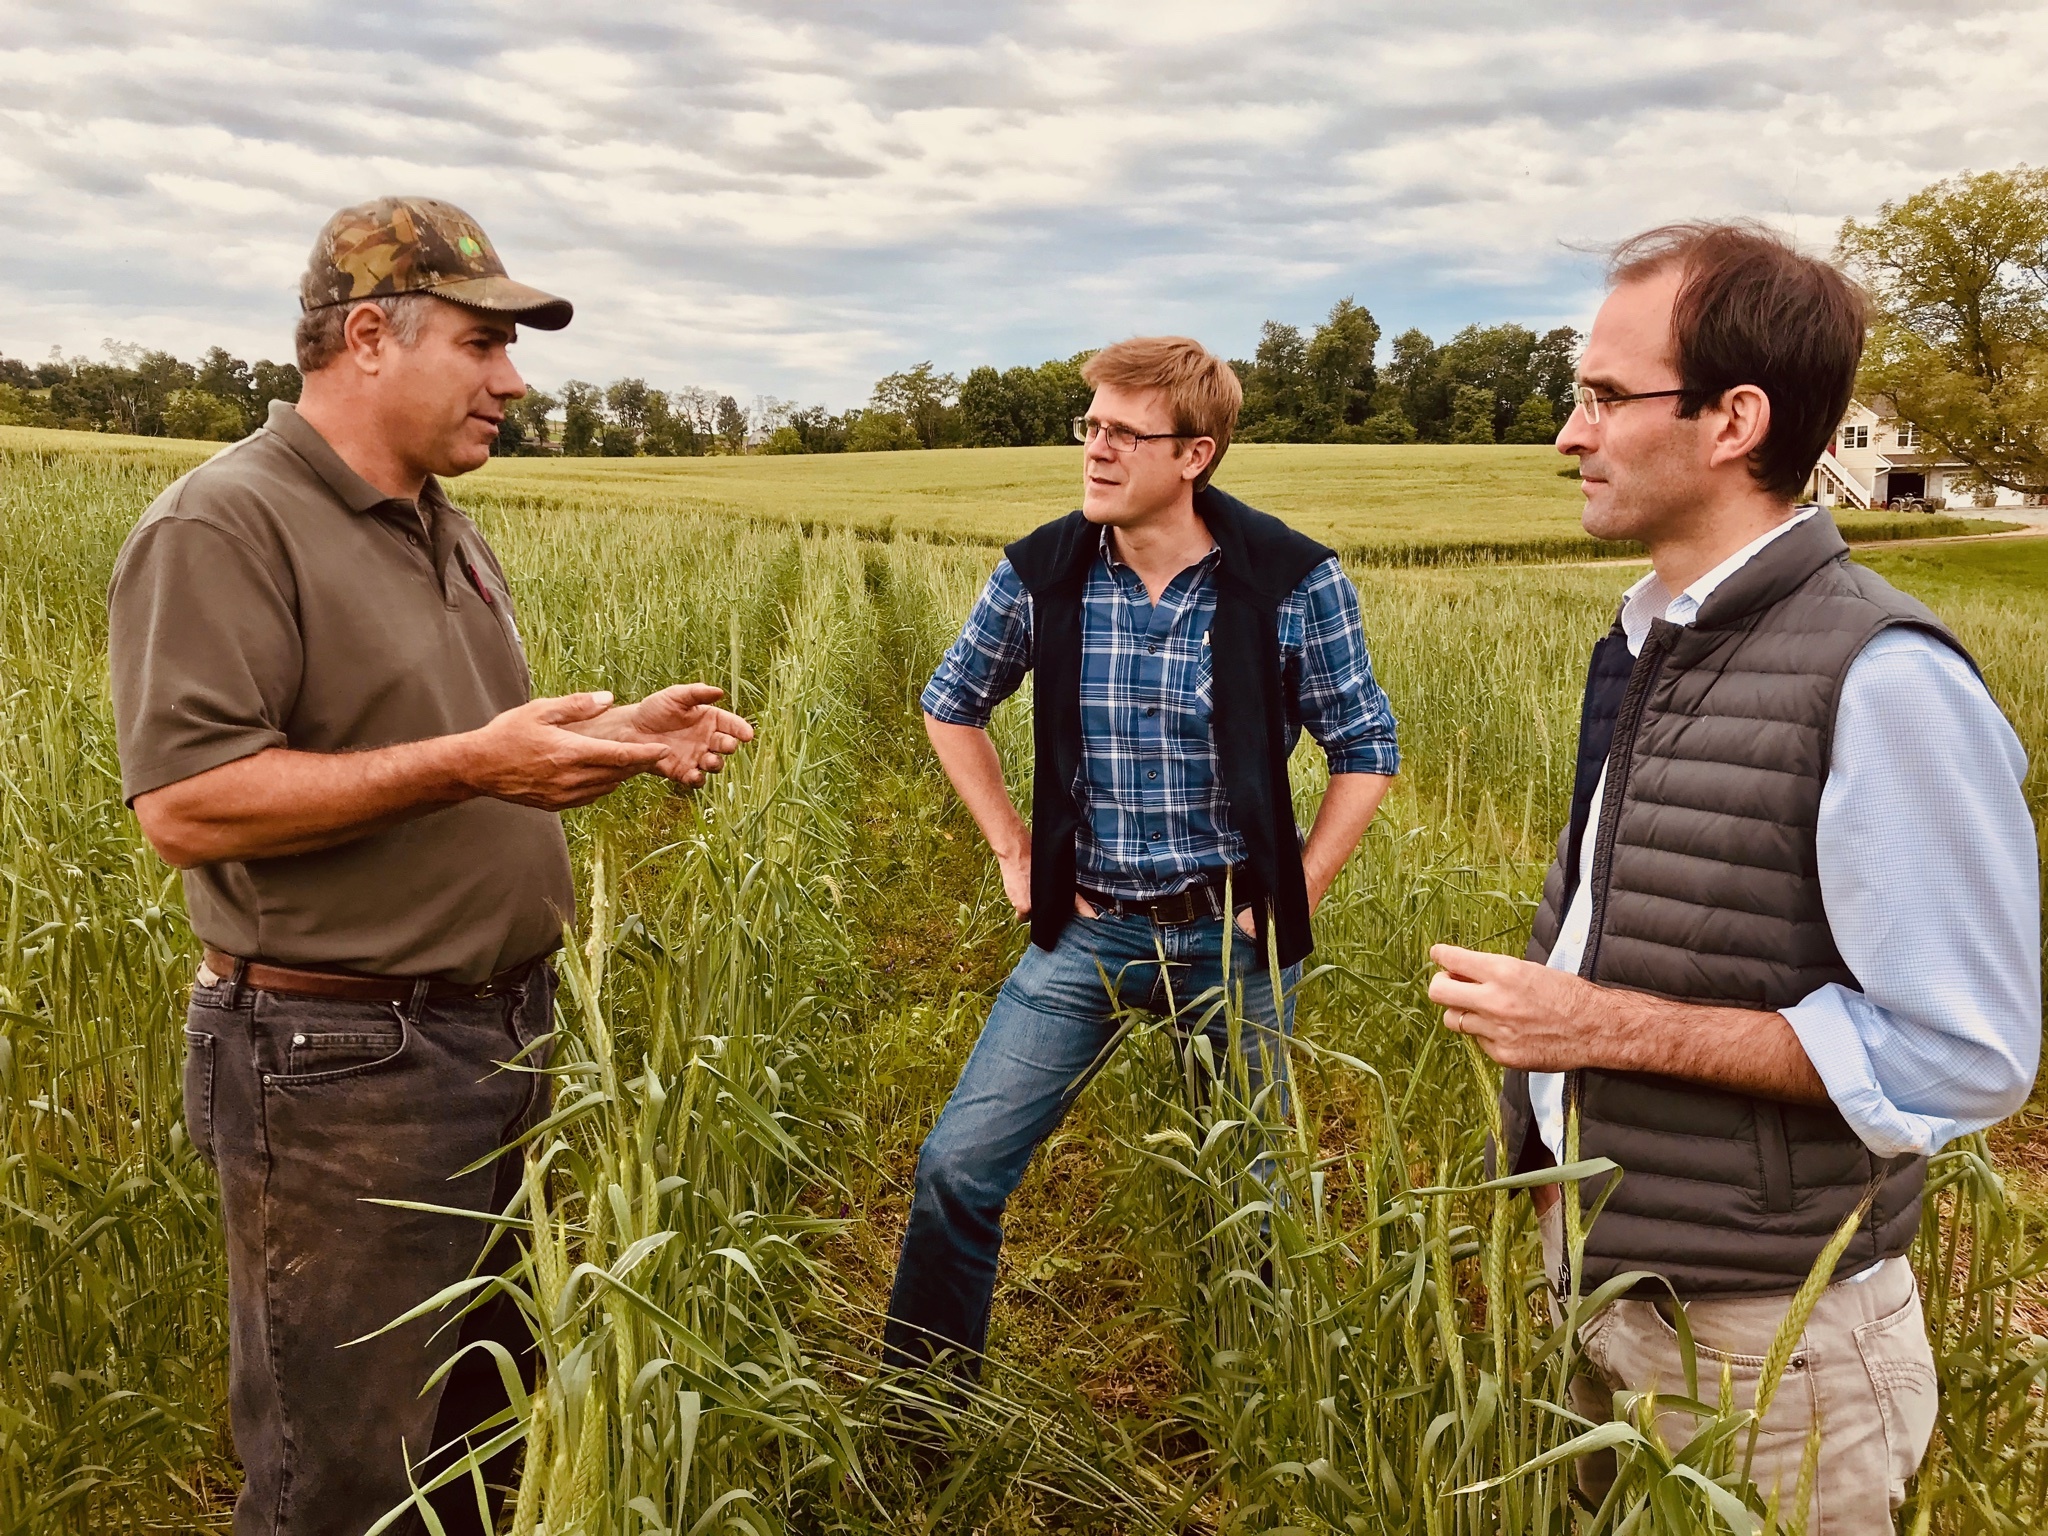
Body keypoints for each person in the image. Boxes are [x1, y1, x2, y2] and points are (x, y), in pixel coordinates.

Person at [108, 197, 754, 1536]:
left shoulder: (440, 522)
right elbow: (185, 802)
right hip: (340, 1070)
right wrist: (474, 766)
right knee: (350, 1482)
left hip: (496, 1044)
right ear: (366, 340)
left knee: (478, 1451)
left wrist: (614, 742)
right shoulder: (223, 525)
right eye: (481, 344)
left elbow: (456, 747)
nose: (513, 381)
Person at [1429, 223, 2039, 1529]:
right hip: (1607, 1278)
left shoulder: (1884, 678)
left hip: (1779, 1345)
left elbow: (1967, 1055)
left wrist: (1597, 1026)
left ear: (1733, 420)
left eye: (1601, 394)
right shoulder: (1652, 637)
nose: (1567, 434)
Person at [883, 336, 1400, 1375]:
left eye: (1124, 433)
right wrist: (1011, 851)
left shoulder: (1289, 580)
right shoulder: (1043, 570)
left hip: (1232, 940)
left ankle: (1248, 1408)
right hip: (1086, 932)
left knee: (1250, 1202)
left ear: (1195, 455)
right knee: (955, 1167)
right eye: (1091, 427)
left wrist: (1288, 894)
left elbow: (1365, 750)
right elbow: (950, 707)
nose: (1095, 450)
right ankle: (923, 1408)